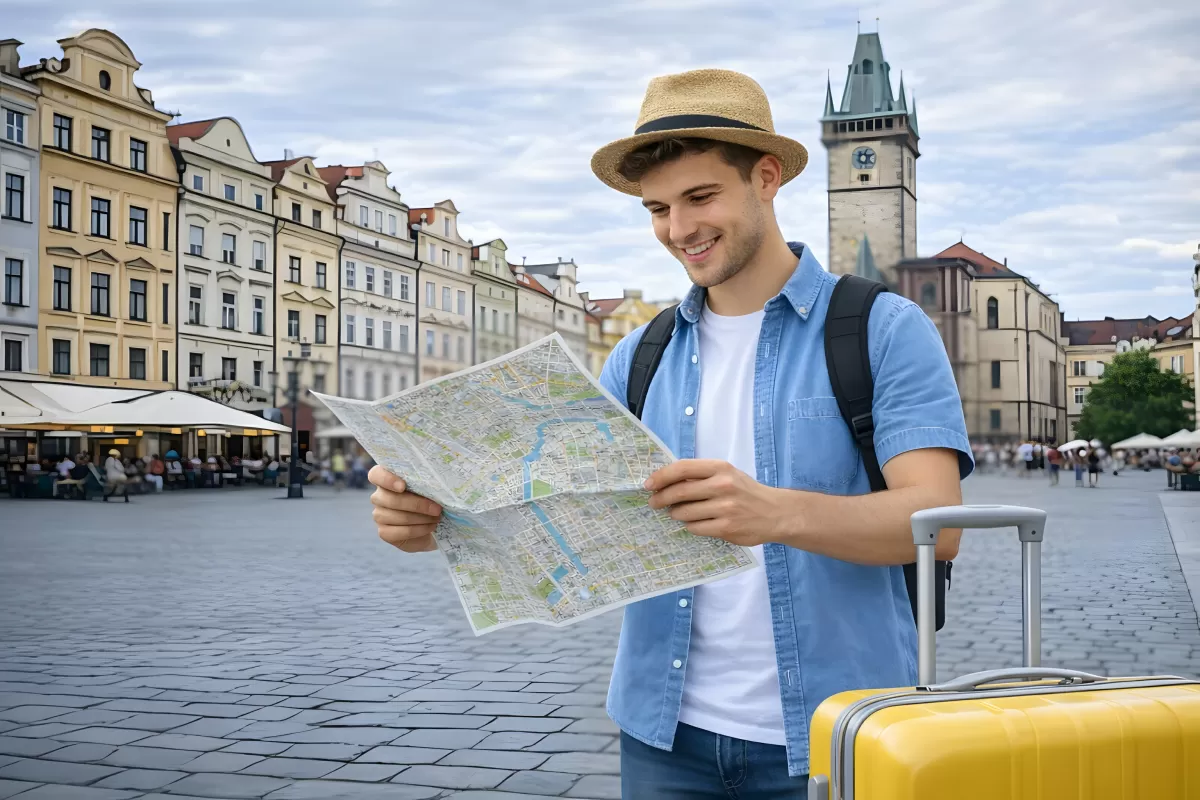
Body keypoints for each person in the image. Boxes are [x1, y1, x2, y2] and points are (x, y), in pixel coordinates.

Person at [367, 68, 973, 795]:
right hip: (664, 739)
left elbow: (939, 523)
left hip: (836, 733)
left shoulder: (882, 328)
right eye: (657, 208)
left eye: (700, 197)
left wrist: (774, 512)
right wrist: (437, 520)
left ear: (767, 178)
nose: (679, 229)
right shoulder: (642, 354)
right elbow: (572, 515)